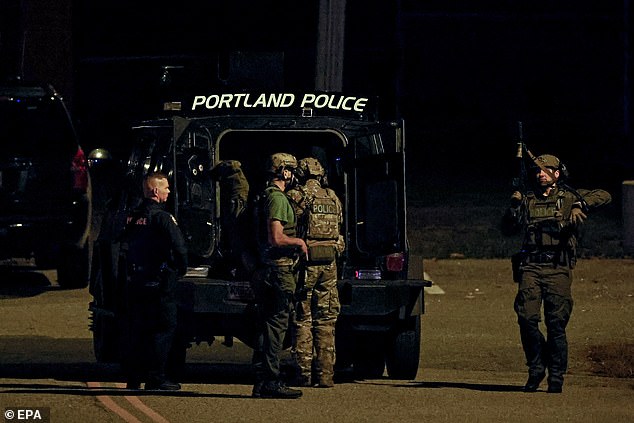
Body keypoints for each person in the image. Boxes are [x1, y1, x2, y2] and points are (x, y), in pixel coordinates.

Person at [502, 154, 611, 393]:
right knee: (527, 317)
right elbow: (507, 229)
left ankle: (556, 375)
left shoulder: (568, 196)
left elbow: (604, 195)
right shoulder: (528, 199)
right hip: (531, 266)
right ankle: (536, 367)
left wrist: (579, 204)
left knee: (556, 323)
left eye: (545, 170)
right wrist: (513, 207)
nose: (540, 174)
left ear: (556, 173)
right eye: (537, 170)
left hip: (558, 267)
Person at [119, 171, 188, 390]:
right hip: (160, 282)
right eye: (166, 187)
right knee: (163, 328)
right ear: (155, 191)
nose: (169, 191)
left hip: (136, 280)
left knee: (137, 329)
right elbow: (179, 248)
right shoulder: (163, 217)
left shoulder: (132, 216)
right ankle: (156, 377)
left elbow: (121, 243)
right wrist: (180, 269)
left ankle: (133, 377)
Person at [251, 153, 308, 399]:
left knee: (268, 326)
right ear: (284, 172)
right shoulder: (277, 199)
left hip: (266, 270)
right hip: (279, 269)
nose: (294, 175)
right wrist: (298, 242)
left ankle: (263, 379)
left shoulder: (264, 196)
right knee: (276, 327)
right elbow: (276, 237)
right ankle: (271, 381)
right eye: (291, 170)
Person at [287, 157, 344, 388]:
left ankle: (303, 374)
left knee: (302, 319)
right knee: (327, 320)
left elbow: (286, 225)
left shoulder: (297, 197)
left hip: (305, 264)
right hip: (329, 264)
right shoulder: (333, 198)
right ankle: (326, 375)